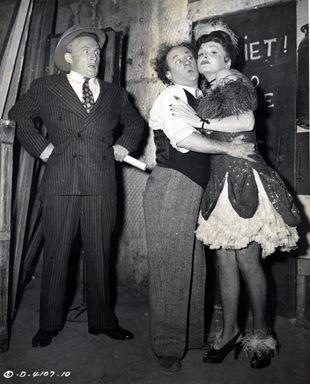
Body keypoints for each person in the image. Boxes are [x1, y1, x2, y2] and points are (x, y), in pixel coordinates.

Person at [170, 21, 300, 369]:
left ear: (229, 61)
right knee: (224, 260)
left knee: (246, 260)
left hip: (244, 179)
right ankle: (230, 331)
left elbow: (245, 123)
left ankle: (261, 334)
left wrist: (200, 124)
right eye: (201, 53)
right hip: (221, 178)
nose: (205, 57)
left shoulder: (234, 81)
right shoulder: (211, 88)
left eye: (214, 52)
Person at [9, 25, 144, 347]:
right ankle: (49, 322)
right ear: (68, 58)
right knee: (57, 253)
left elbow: (135, 123)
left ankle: (102, 320)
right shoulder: (46, 87)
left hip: (101, 182)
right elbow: (18, 117)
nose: (95, 56)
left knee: (100, 252)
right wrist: (41, 149)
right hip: (61, 180)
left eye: (97, 52)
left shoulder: (114, 93)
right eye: (87, 51)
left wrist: (124, 144)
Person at [143, 42, 256, 373]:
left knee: (193, 266)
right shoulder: (171, 97)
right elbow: (185, 139)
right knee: (170, 266)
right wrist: (231, 152)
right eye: (178, 61)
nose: (188, 63)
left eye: (190, 57)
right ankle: (167, 347)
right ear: (168, 73)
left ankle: (190, 338)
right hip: (172, 185)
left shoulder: (203, 98)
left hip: (199, 188)